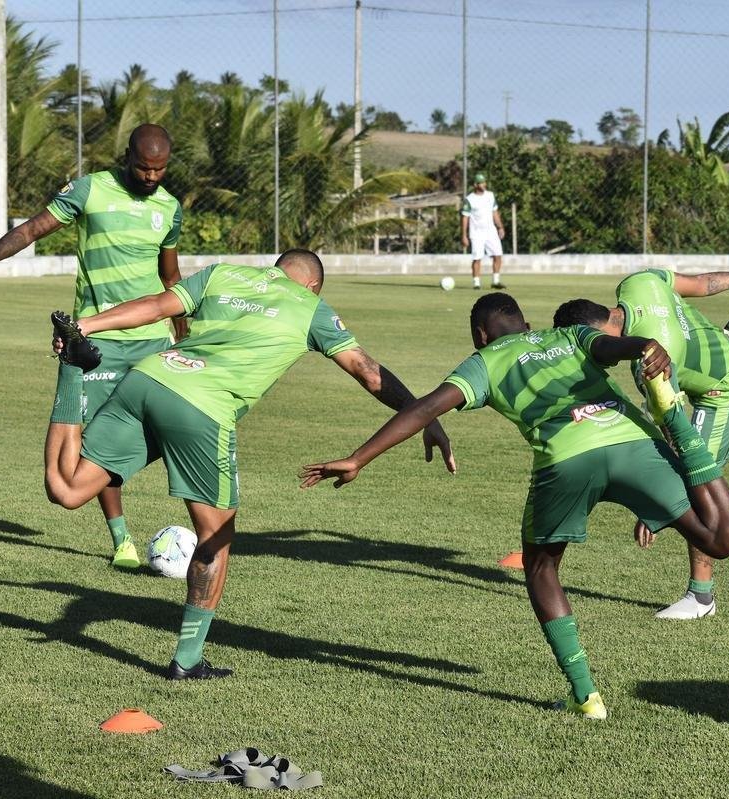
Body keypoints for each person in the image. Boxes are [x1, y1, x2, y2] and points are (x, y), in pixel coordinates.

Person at [300, 293, 729, 719]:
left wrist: (359, 457)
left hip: (567, 460)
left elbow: (424, 408)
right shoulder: (568, 335)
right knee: (722, 540)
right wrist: (645, 346)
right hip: (632, 442)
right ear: (527, 325)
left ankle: (586, 696)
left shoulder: (484, 362)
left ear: (479, 335)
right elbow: (612, 345)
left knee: (540, 567)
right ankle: (679, 422)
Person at [44, 249, 455, 680]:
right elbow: (370, 373)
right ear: (313, 285)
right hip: (202, 409)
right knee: (215, 537)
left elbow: (156, 305)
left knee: (68, 489)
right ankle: (187, 661)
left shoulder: (223, 275)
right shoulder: (311, 307)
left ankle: (72, 370)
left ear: (276, 269)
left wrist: (85, 327)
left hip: (148, 379)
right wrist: (422, 414)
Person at [0, 124, 185, 570]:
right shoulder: (90, 190)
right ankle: (122, 541)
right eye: (143, 167)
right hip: (95, 344)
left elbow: (171, 279)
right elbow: (31, 231)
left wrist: (185, 335)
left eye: (159, 169)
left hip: (151, 343)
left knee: (163, 430)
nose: (151, 176)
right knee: (88, 450)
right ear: (126, 157)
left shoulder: (170, 208)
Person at [553, 267, 729, 620]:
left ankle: (702, 598)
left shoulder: (649, 365)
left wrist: (659, 503)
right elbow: (701, 284)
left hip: (726, 387)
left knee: (696, 482)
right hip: (708, 345)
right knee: (706, 349)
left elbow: (678, 437)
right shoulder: (637, 283)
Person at [460, 172, 506, 290]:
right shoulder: (469, 199)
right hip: (476, 233)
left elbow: (494, 213)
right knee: (477, 258)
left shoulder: (490, 195)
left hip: (491, 231)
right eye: (481, 182)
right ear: (475, 184)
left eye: (484, 182)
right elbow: (465, 217)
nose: (484, 184)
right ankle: (476, 283)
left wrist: (500, 227)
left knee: (498, 255)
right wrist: (464, 235)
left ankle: (495, 281)